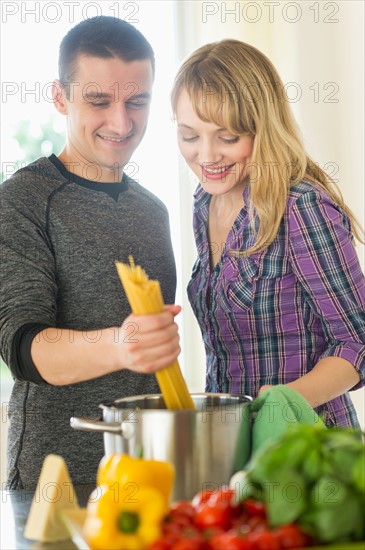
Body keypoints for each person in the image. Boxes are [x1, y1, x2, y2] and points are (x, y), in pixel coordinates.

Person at [0, 16, 181, 490]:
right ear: (61, 97)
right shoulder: (23, 200)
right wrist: (122, 345)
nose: (121, 123)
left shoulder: (154, 210)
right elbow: (24, 348)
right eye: (99, 101)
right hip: (55, 483)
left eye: (136, 102)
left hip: (147, 479)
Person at [170, 39, 365, 428]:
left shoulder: (300, 207)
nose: (206, 156)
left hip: (308, 447)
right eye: (190, 136)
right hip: (233, 447)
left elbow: (357, 342)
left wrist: (280, 402)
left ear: (263, 128)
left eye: (227, 138)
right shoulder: (205, 203)